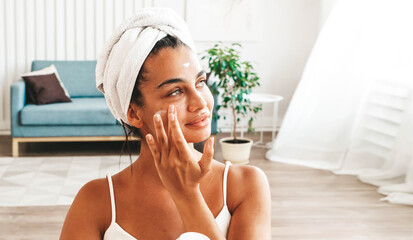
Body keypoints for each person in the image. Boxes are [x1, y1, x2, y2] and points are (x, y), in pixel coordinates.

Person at [60, 8, 271, 240]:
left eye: (200, 82)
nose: (200, 102)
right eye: (176, 91)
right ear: (134, 112)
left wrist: (187, 195)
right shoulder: (95, 201)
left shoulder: (245, 185)